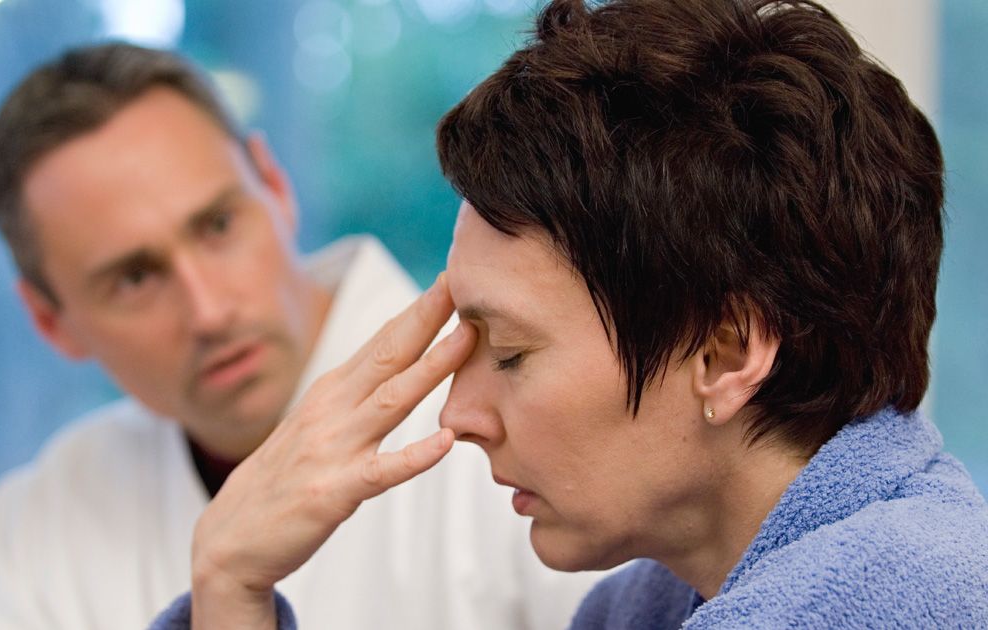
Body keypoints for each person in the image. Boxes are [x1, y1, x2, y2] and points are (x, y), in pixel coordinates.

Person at [149, 0, 988, 627]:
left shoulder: (899, 597)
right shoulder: (646, 607)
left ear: (727, 354)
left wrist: (232, 588)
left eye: (511, 353)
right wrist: (230, 589)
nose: (459, 415)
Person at [0, 44, 601, 630]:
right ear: (50, 322)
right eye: (135, 277)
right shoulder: (48, 519)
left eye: (216, 226)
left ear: (275, 187)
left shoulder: (521, 412)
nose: (209, 309)